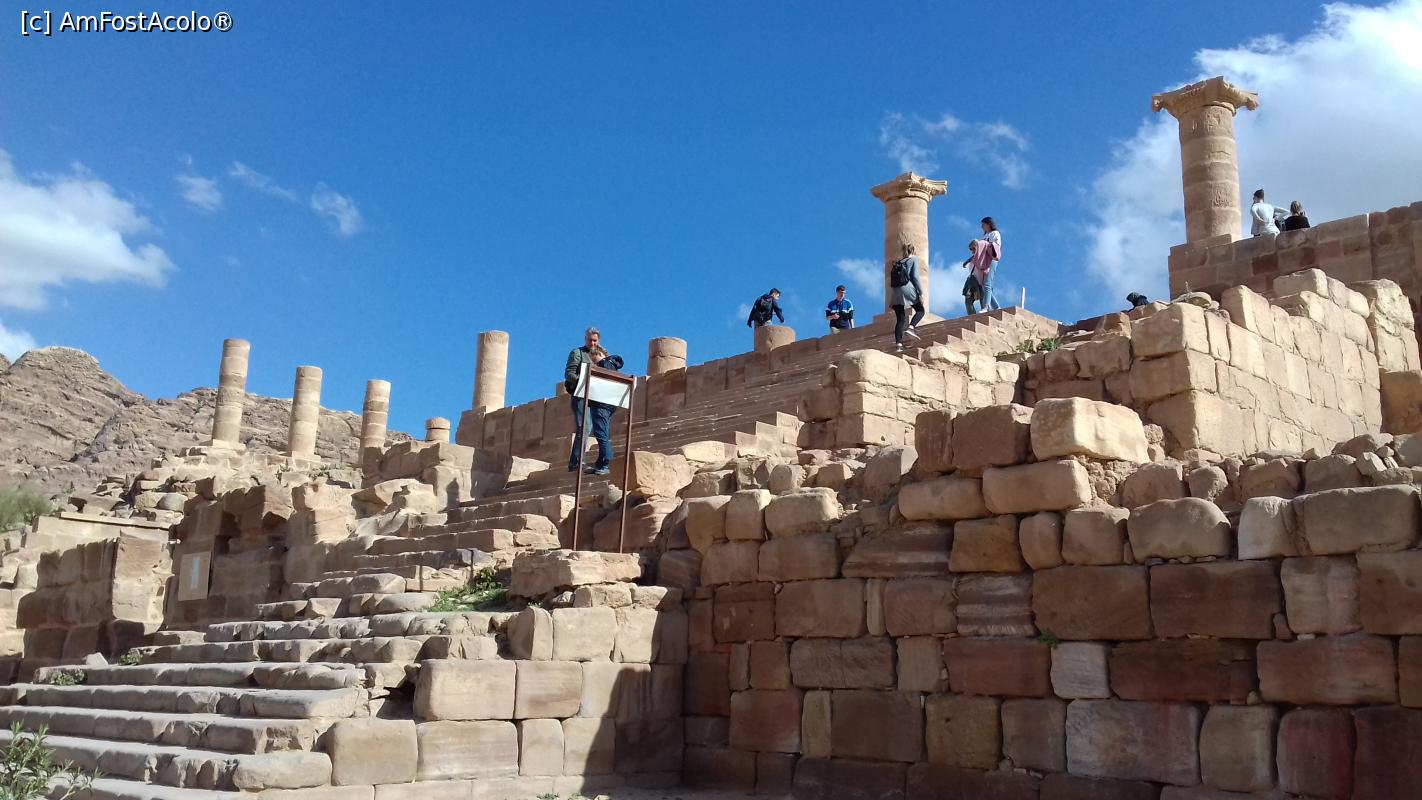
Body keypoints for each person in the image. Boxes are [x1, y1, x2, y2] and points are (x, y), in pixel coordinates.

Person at [563, 327, 615, 475]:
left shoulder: (602, 353)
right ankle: (576, 463)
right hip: (581, 394)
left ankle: (599, 461)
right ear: (585, 339)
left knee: (597, 428)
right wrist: (584, 380)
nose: (592, 343)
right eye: (589, 340)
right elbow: (569, 373)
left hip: (597, 397)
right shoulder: (577, 353)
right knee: (584, 427)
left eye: (595, 340)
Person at [888, 242, 925, 352]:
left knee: (900, 319)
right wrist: (920, 293)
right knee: (920, 310)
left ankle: (898, 345)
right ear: (913, 250)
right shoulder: (914, 260)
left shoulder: (898, 262)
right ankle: (911, 327)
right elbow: (915, 277)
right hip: (907, 288)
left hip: (895, 291)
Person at [966, 218, 1003, 313]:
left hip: (991, 260)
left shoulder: (995, 233)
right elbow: (979, 252)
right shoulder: (985, 236)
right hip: (983, 262)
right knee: (984, 285)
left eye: (983, 224)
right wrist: (969, 260)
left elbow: (995, 247)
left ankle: (986, 307)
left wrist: (982, 244)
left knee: (987, 283)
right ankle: (996, 307)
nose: (982, 226)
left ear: (988, 224)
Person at [962, 241, 983, 315]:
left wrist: (967, 261)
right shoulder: (972, 258)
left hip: (981, 282)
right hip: (972, 282)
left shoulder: (982, 256)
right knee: (968, 300)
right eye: (970, 249)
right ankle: (972, 317)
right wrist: (967, 261)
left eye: (973, 248)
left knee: (983, 302)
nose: (972, 251)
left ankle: (984, 315)